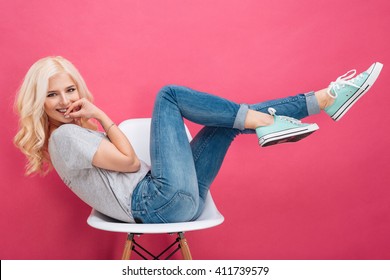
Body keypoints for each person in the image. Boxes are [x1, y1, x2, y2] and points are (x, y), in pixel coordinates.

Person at [14, 56, 383, 224]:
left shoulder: (72, 135)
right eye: (52, 95)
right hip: (157, 202)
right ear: (38, 102)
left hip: (172, 200)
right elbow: (128, 163)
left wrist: (95, 120)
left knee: (224, 120)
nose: (65, 101)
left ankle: (324, 100)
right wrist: (101, 115)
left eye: (69, 89)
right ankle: (318, 103)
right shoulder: (65, 138)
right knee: (168, 95)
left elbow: (124, 165)